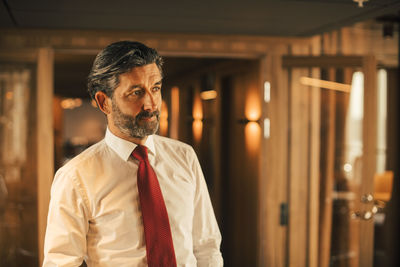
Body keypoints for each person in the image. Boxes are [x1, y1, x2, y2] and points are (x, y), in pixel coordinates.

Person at [43, 41, 223, 267]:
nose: (150, 104)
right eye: (136, 92)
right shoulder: (75, 177)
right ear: (104, 102)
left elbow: (206, 246)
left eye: (155, 88)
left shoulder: (185, 157)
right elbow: (61, 262)